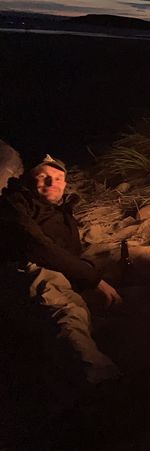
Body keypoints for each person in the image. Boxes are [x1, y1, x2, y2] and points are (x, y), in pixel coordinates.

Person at [0, 155, 123, 384]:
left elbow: (70, 253)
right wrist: (92, 279)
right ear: (28, 179)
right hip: (26, 267)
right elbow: (36, 247)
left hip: (59, 270)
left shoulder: (62, 213)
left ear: (65, 184)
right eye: (43, 177)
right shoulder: (14, 204)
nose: (51, 182)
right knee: (64, 310)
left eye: (58, 178)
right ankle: (98, 378)